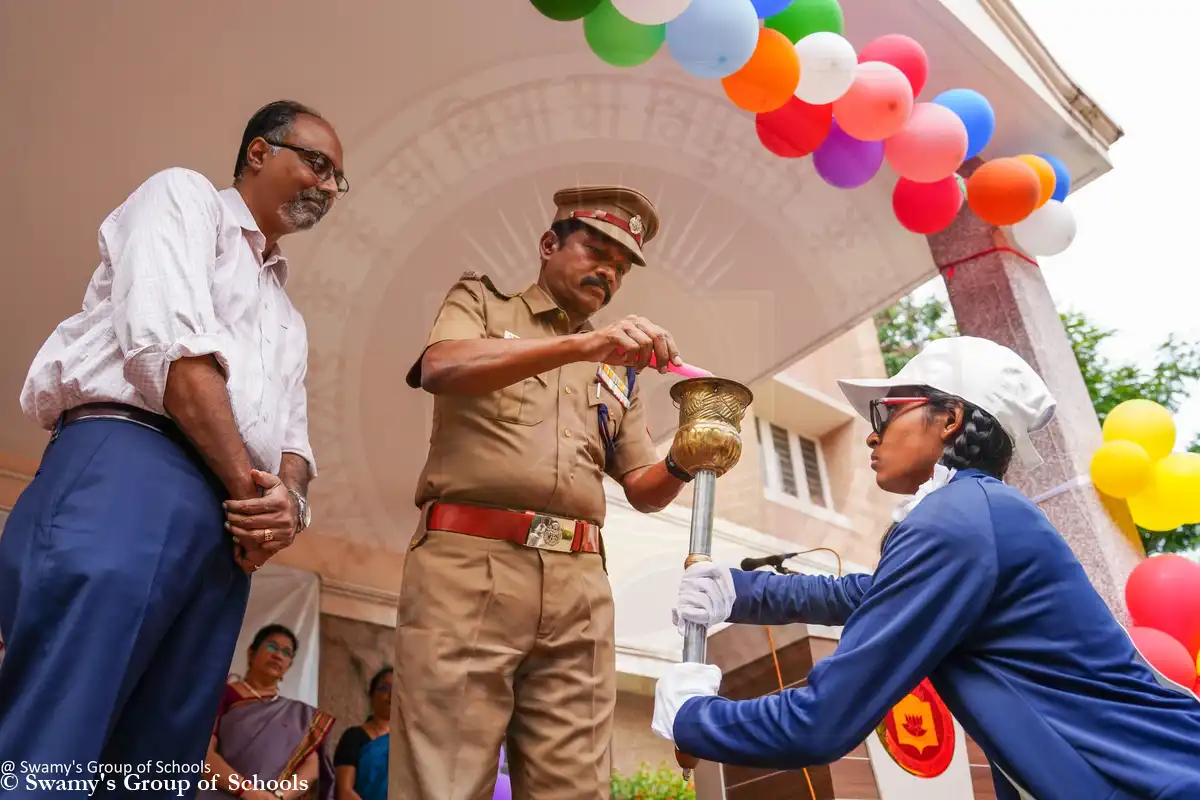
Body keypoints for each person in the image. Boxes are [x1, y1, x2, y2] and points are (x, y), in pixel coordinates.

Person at [652, 336, 1200, 800]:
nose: (872, 433)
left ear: (951, 419)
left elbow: (820, 724)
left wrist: (694, 715)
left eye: (885, 412)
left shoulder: (955, 520)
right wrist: (740, 591)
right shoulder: (977, 514)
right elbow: (872, 595)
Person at [0, 100, 343, 781]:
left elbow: (296, 446)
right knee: (55, 738)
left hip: (227, 527)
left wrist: (290, 508)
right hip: (133, 469)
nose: (331, 187)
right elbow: (175, 359)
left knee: (159, 759)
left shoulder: (288, 315)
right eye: (318, 163)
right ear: (258, 152)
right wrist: (256, 496)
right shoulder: (185, 198)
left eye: (339, 179)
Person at [395, 185, 699, 800]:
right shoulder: (481, 301)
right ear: (548, 245)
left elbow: (642, 488)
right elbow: (441, 367)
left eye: (621, 265)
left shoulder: (620, 368)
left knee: (576, 788)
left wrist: (688, 458)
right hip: (468, 564)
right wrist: (587, 344)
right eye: (597, 248)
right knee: (444, 780)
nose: (609, 270)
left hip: (580, 584)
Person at [204, 624, 335, 800]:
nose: (278, 655)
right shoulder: (222, 695)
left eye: (286, 652)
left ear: (288, 666)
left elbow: (312, 768)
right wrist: (248, 792)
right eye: (272, 646)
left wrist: (279, 796)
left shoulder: (300, 717)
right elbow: (204, 757)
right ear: (251, 654)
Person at [334, 667, 393, 800]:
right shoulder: (354, 737)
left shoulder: (410, 742)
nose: (391, 694)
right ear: (371, 695)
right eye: (385, 688)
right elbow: (344, 791)